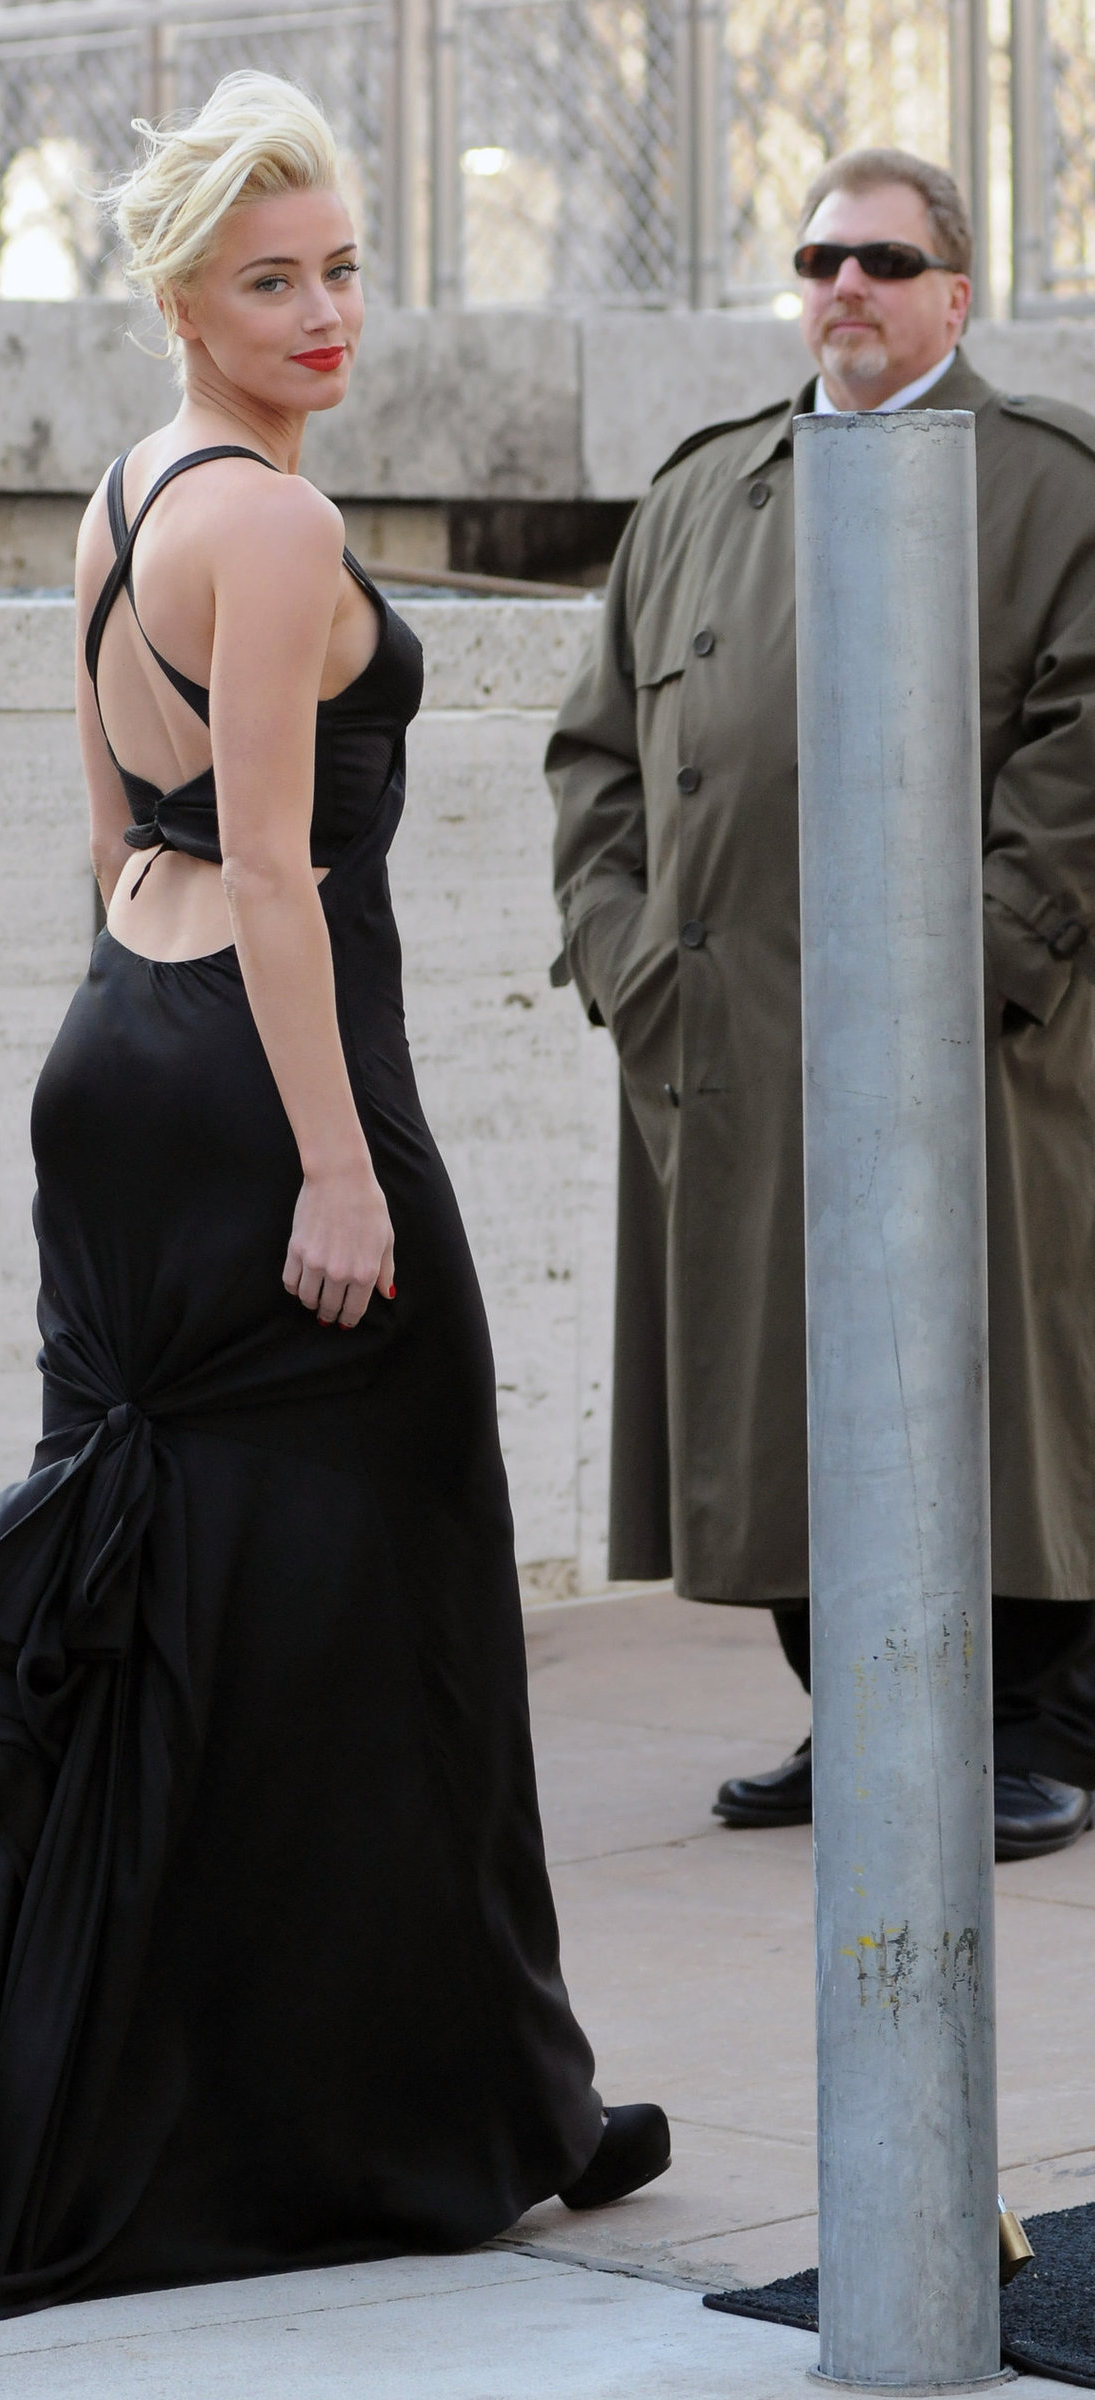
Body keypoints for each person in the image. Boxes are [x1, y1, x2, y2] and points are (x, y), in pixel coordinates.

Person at [0, 74, 667, 2353]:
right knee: (410, 1601)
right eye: (272, 280)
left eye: (345, 265)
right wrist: (340, 1162)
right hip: (272, 1088)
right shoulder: (261, 528)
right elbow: (270, 865)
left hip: (122, 1059)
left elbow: (115, 843)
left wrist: (163, 1094)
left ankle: (415, 2093)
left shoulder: (118, 498)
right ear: (181, 298)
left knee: (175, 1621)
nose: (325, 311)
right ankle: (443, 2106)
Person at [548, 146, 1095, 1865]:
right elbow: (592, 762)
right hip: (735, 1045)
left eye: (882, 259)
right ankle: (855, 1700)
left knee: (996, 1377)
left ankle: (1018, 1723)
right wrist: (635, 967)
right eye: (818, 258)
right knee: (769, 1385)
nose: (844, 287)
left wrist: (975, 976)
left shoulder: (1051, 487)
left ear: (954, 289)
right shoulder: (708, 488)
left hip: (975, 1051)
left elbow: (1080, 760)